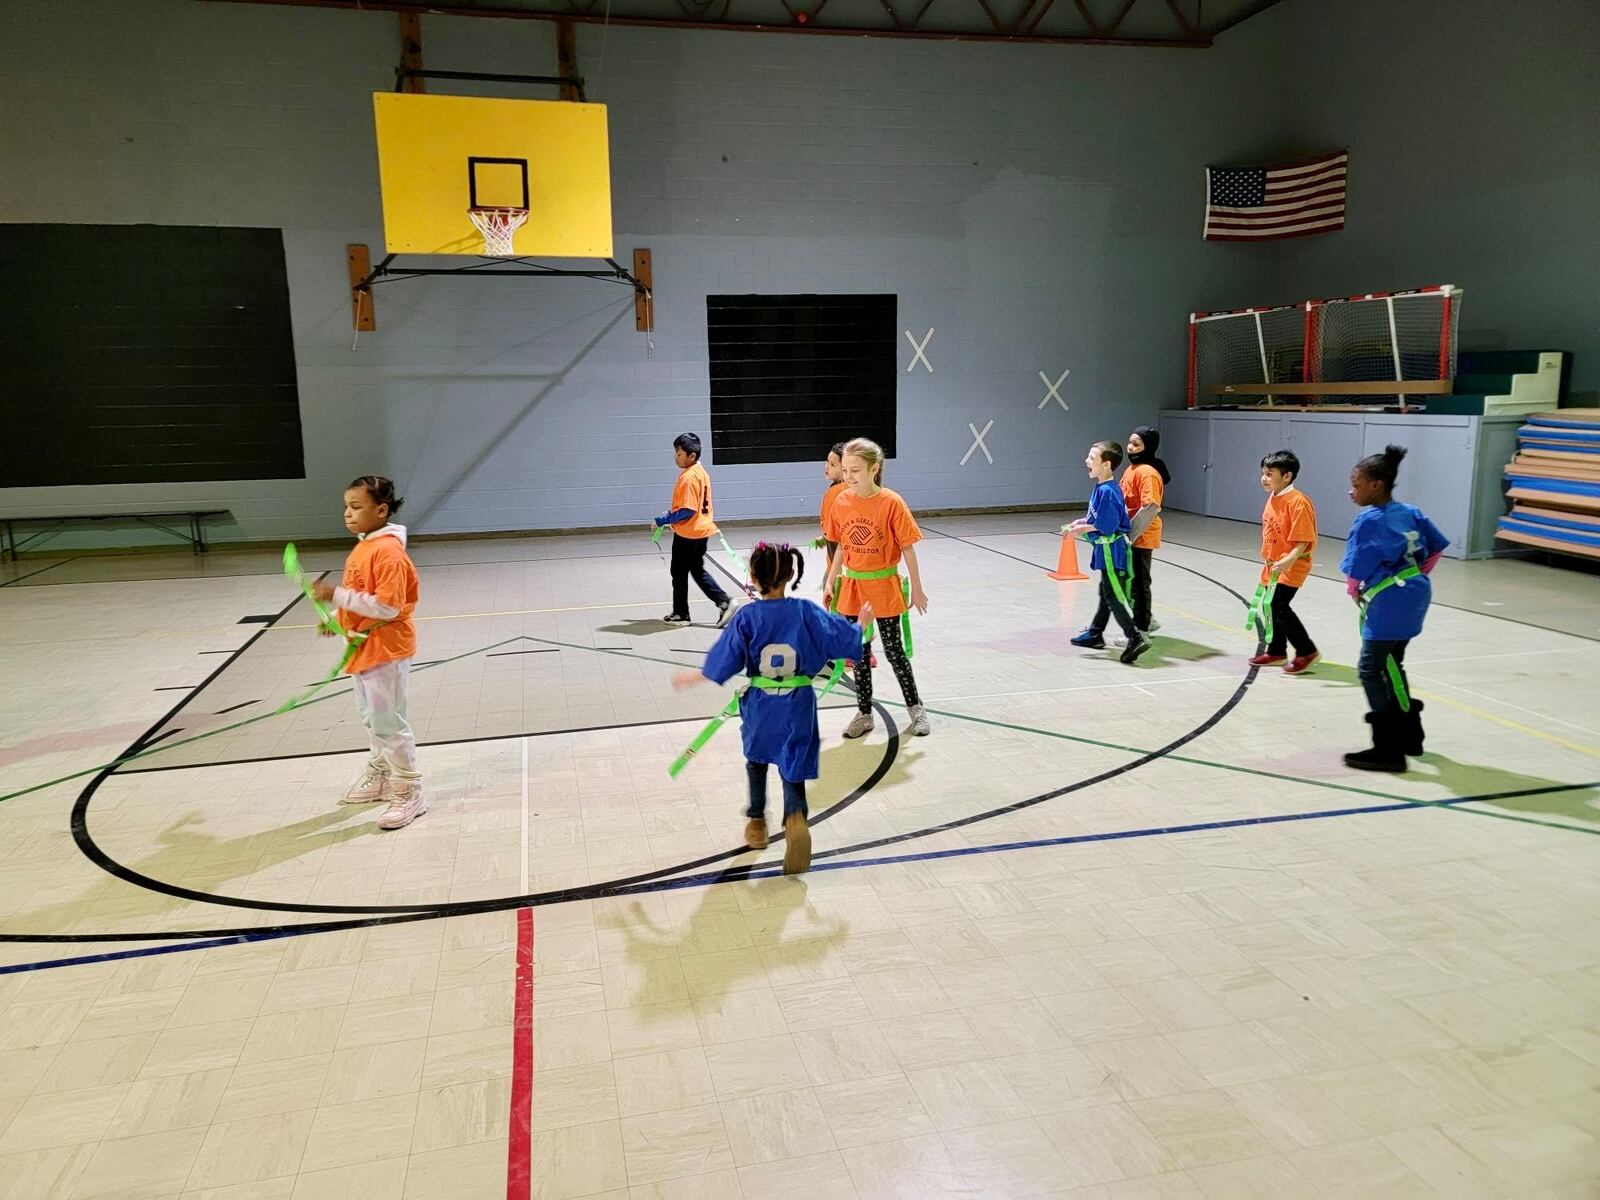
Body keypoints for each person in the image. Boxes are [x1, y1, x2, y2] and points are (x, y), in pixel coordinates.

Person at [673, 543, 872, 874]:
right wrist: (861, 625)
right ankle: (795, 817)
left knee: (756, 759)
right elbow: (841, 640)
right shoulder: (806, 612)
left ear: (752, 577)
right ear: (791, 575)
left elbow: (726, 657)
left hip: (762, 704)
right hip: (799, 702)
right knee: (793, 762)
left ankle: (756, 822)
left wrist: (696, 676)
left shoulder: (748, 617)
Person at [310, 475, 425, 830]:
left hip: (386, 648)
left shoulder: (388, 552)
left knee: (389, 721)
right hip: (362, 646)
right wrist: (337, 617)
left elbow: (388, 607)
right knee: (371, 718)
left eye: (356, 507)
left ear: (381, 510)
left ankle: (409, 790)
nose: (347, 514)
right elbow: (361, 593)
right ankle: (381, 775)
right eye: (346, 506)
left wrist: (336, 597)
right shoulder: (364, 546)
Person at [1340, 445, 1449, 771]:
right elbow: (1436, 548)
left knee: (1370, 668)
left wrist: (1354, 587)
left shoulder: (1369, 520)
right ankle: (1410, 735)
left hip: (1388, 601)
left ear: (1376, 485)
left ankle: (1387, 749)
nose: (1351, 491)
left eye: (1356, 484)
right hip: (1415, 593)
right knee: (1392, 663)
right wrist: (1413, 576)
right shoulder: (1411, 512)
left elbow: (1356, 569)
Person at [821, 437, 931, 739]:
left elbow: (907, 547)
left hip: (883, 587)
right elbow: (842, 545)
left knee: (895, 652)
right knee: (858, 654)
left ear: (875, 469)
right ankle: (864, 713)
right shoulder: (841, 500)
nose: (849, 476)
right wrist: (831, 578)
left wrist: (917, 589)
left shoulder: (891, 502)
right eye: (845, 470)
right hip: (853, 589)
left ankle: (916, 709)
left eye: (855, 470)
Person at [1068, 441, 1151, 664]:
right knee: (1105, 590)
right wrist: (1083, 521)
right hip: (1107, 550)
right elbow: (1099, 518)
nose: (1087, 461)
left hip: (1111, 551)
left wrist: (1083, 529)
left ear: (1106, 465)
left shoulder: (1108, 491)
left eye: (1092, 458)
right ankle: (1095, 632)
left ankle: (1134, 637)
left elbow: (1107, 525)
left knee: (1112, 595)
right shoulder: (1103, 488)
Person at [652, 432, 734, 627]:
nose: (675, 457)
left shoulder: (689, 478)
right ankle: (718, 603)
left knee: (680, 571)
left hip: (689, 533)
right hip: (700, 531)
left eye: (679, 454)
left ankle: (693, 610)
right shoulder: (701, 472)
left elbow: (688, 510)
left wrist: (663, 520)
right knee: (694, 570)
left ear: (692, 456)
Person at [1252, 449, 1321, 673]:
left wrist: (1289, 560)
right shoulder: (1273, 497)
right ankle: (1277, 651)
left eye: (1270, 474)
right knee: (1269, 605)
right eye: (1263, 473)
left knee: (1278, 605)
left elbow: (1303, 538)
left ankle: (1306, 651)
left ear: (1287, 476)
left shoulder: (1298, 502)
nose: (1264, 478)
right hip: (1273, 564)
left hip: (1292, 564)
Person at [1121, 425, 1168, 637]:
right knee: (1129, 583)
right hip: (1128, 535)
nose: (1130, 448)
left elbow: (1150, 506)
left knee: (1139, 584)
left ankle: (1141, 630)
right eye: (1130, 443)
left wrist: (1130, 534)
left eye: (1136, 444)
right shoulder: (1131, 469)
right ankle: (1145, 619)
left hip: (1140, 536)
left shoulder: (1147, 473)